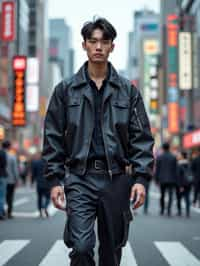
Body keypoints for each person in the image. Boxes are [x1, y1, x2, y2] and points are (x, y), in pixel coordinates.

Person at [42, 17, 154, 266]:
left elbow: (142, 138)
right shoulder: (65, 90)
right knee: (81, 248)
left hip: (116, 179)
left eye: (104, 41)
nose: (98, 47)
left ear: (112, 46)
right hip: (79, 178)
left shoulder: (128, 91)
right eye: (92, 41)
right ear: (84, 45)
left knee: (111, 253)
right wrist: (54, 181)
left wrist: (141, 179)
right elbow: (52, 137)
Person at [155, 142, 177, 217]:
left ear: (163, 148)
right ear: (169, 148)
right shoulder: (173, 157)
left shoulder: (159, 157)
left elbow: (157, 169)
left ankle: (162, 209)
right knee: (170, 195)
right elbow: (175, 169)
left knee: (162, 194)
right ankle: (169, 210)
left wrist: (156, 179)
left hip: (162, 179)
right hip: (171, 179)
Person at [2, 140, 19, 219]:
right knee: (10, 197)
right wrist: (17, 179)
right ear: (9, 147)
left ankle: (2, 211)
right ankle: (9, 212)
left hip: (2, 178)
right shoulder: (12, 156)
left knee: (2, 195)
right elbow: (15, 169)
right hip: (11, 179)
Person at [31, 152, 50, 218]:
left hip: (39, 183)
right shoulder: (49, 163)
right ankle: (45, 207)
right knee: (48, 197)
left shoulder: (36, 162)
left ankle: (40, 211)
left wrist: (32, 182)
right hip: (47, 183)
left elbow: (33, 173)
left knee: (39, 197)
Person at [176, 151, 193, 217]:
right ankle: (187, 212)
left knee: (179, 198)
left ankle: (179, 211)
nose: (178, 156)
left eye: (179, 155)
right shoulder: (189, 163)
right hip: (188, 183)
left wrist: (180, 186)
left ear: (182, 156)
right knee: (187, 198)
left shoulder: (179, 164)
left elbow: (178, 176)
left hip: (181, 184)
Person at [0, 143, 7, 220]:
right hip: (2, 175)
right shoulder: (3, 153)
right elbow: (5, 164)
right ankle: (1, 213)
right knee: (1, 196)